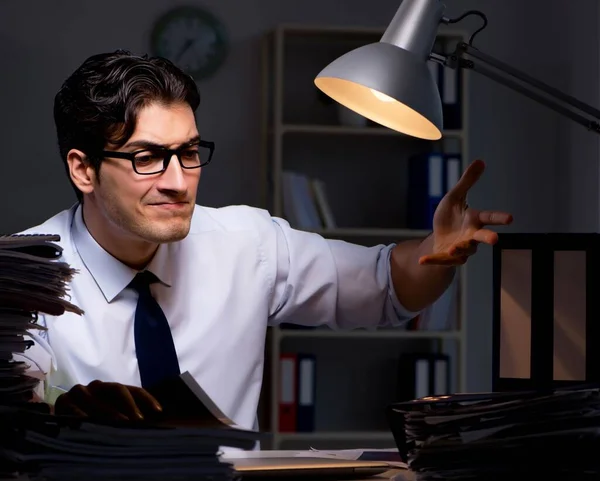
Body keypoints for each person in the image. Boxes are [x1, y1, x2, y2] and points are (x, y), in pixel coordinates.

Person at [17, 50, 512, 429]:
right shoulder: (20, 276)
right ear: (83, 169)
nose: (177, 180)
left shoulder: (248, 242)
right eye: (146, 158)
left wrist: (436, 252)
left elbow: (386, 287)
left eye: (188, 152)